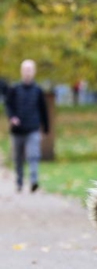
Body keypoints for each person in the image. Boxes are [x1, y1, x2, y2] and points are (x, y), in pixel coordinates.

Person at [5, 60, 49, 193]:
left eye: (30, 69)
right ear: (21, 71)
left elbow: (43, 110)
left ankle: (34, 180)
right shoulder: (14, 89)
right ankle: (19, 181)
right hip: (17, 130)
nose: (28, 72)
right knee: (18, 158)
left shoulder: (38, 90)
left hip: (33, 129)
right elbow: (8, 105)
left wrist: (45, 128)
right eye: (25, 69)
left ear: (34, 71)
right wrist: (12, 117)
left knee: (33, 155)